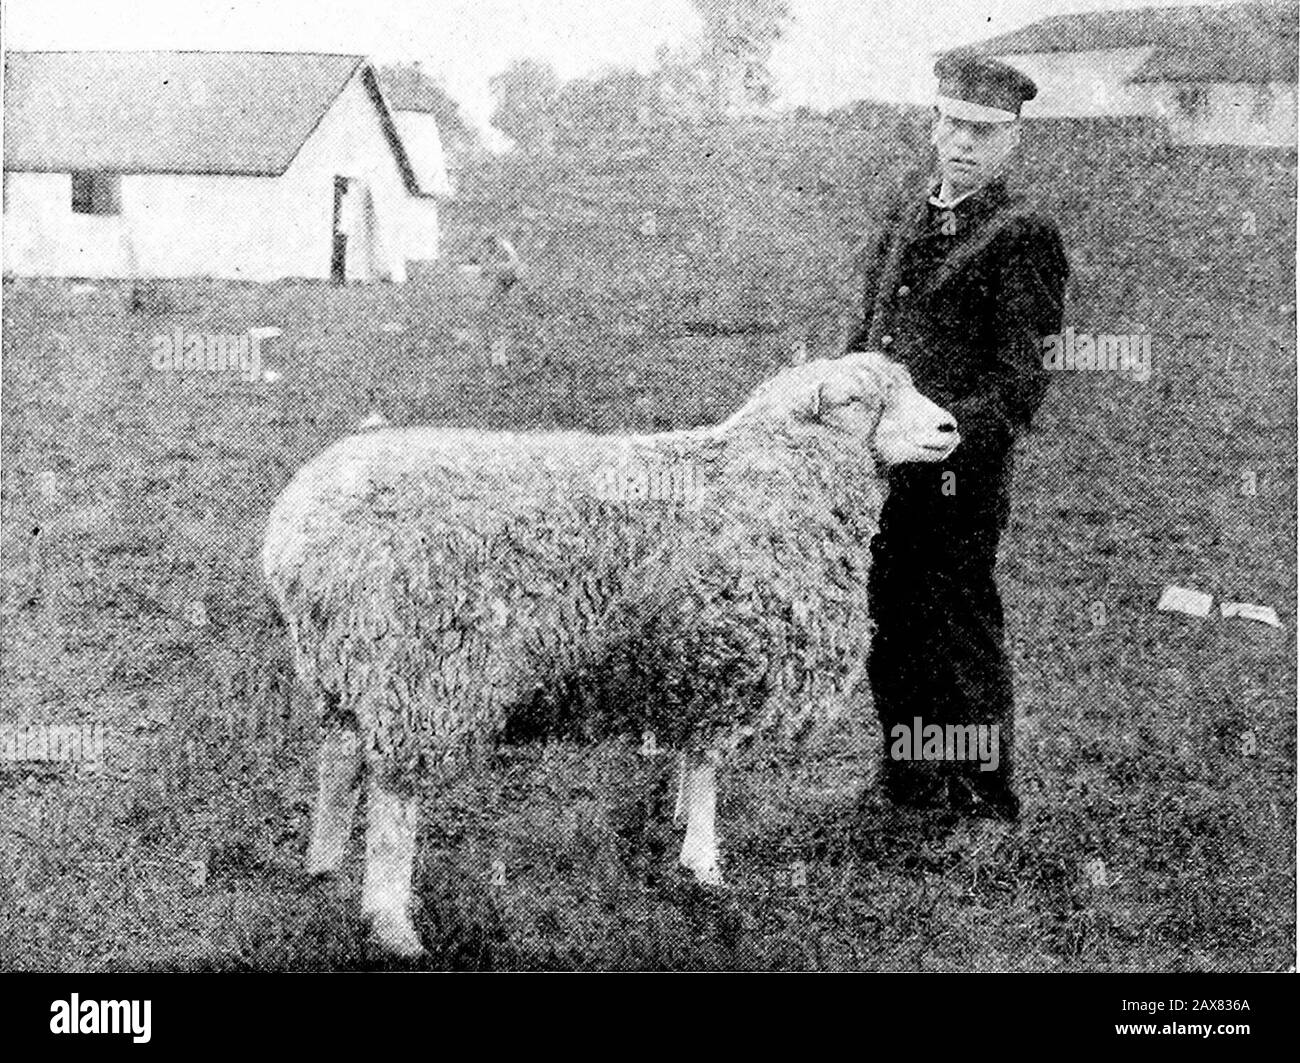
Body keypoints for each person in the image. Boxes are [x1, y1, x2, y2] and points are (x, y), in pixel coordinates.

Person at [850, 50, 1069, 824]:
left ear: (1012, 143)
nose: (965, 142)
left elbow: (1019, 384)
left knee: (958, 623)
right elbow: (865, 340)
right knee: (891, 620)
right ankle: (912, 785)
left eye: (985, 131)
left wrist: (943, 433)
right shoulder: (904, 215)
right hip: (882, 471)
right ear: (933, 124)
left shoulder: (1022, 235)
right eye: (954, 123)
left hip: (957, 473)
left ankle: (981, 799)